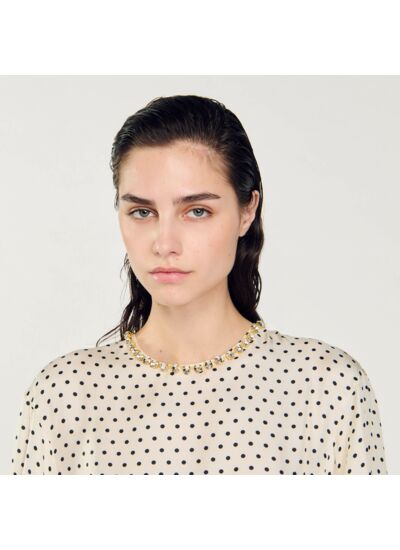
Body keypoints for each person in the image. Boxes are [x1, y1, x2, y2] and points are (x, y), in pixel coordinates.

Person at [11, 94, 388, 474]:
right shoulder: (65, 395)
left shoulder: (326, 387)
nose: (164, 244)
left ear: (247, 211)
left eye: (196, 211)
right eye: (142, 212)